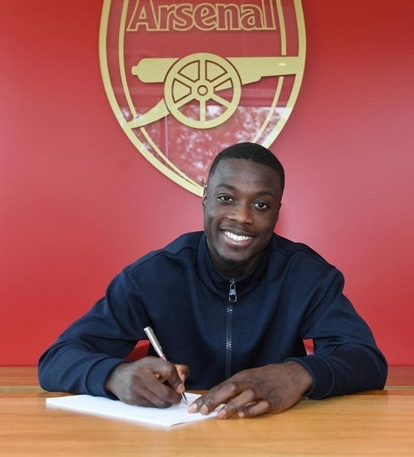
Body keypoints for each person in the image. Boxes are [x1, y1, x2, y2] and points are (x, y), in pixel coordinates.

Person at [38, 142, 387, 419]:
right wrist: (115, 375)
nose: (242, 216)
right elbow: (57, 359)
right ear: (205, 200)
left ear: (277, 213)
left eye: (261, 205)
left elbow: (367, 360)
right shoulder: (153, 276)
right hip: (178, 436)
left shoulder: (306, 275)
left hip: (274, 435)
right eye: (226, 198)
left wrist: (297, 374)